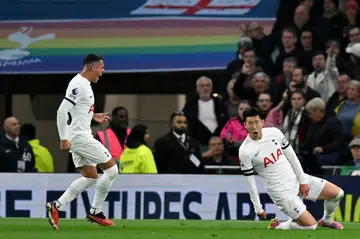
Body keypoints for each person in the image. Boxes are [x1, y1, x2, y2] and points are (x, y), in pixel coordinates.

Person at [238, 107, 344, 230]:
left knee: (338, 194)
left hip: (296, 179)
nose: (254, 126)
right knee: (311, 227)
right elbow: (250, 182)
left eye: (256, 122)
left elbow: (292, 156)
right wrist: (258, 208)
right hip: (281, 192)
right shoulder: (245, 151)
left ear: (262, 122)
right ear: (245, 125)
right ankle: (279, 225)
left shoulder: (274, 133)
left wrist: (303, 180)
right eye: (250, 123)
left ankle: (326, 220)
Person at [46, 54, 118, 229]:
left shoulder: (83, 84)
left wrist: (93, 115)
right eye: (101, 67)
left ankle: (57, 206)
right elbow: (62, 111)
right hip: (79, 137)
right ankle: (96, 211)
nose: (102, 71)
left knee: (90, 176)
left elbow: (75, 111)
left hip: (78, 135)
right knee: (112, 169)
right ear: (93, 68)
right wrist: (63, 138)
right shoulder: (79, 85)